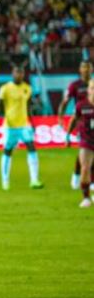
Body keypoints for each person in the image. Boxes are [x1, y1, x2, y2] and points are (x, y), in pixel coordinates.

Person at [0, 64, 43, 190]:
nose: (19, 75)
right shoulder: (5, 88)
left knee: (31, 147)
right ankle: (5, 181)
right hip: (10, 126)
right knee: (8, 151)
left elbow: (28, 107)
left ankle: (34, 180)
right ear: (12, 74)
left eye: (21, 73)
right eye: (16, 72)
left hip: (24, 125)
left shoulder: (27, 88)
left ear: (23, 74)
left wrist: (32, 122)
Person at [57, 60, 92, 189]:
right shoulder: (74, 85)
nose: (87, 70)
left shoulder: (93, 84)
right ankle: (78, 177)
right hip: (81, 123)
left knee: (87, 152)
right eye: (84, 67)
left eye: (89, 67)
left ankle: (82, 178)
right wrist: (60, 116)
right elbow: (65, 101)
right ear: (80, 70)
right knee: (85, 150)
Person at [65, 79, 94, 208]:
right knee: (85, 167)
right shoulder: (81, 105)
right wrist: (68, 135)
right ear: (88, 90)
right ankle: (86, 198)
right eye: (92, 88)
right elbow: (74, 119)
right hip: (86, 141)